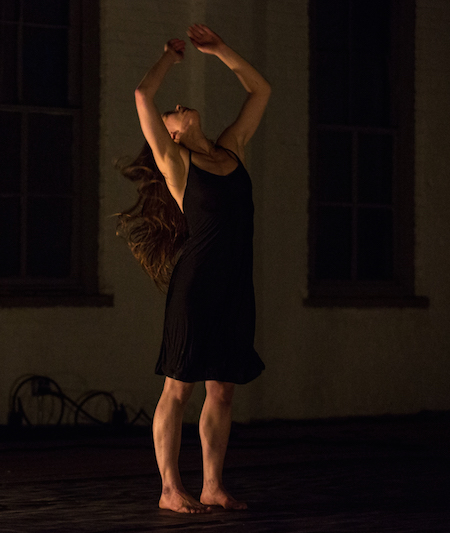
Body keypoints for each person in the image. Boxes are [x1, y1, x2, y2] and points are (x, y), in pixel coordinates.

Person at [117, 24, 270, 514]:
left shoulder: (232, 148)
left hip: (233, 286)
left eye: (179, 108)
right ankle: (168, 490)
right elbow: (143, 95)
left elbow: (259, 89)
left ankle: (212, 486)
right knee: (179, 388)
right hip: (196, 287)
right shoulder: (177, 162)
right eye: (173, 114)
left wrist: (220, 48)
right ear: (173, 133)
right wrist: (168, 58)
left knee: (222, 389)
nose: (179, 108)